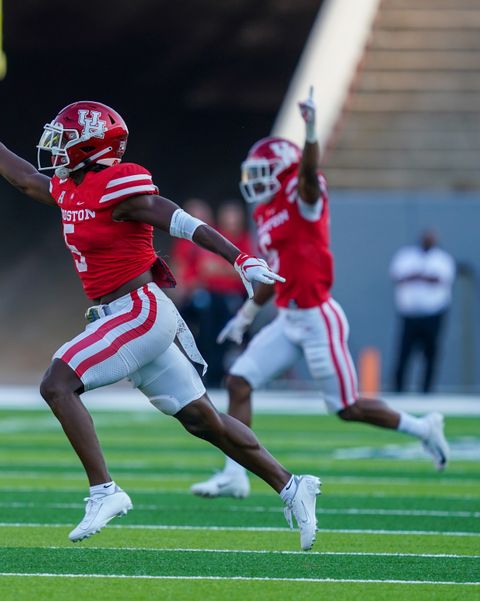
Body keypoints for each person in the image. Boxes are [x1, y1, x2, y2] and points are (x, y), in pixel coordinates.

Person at [0, 90, 321, 550]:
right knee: (205, 420)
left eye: (66, 139)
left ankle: (105, 491)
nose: (56, 146)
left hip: (140, 309)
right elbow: (25, 179)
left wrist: (239, 259)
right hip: (124, 315)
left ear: (93, 145)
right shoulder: (71, 186)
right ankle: (291, 485)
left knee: (57, 383)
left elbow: (178, 220)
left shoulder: (117, 184)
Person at [191, 88, 450, 500]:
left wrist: (311, 130)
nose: (254, 180)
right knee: (239, 381)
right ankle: (235, 475)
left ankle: (422, 427)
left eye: (263, 171)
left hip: (317, 317)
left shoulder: (302, 195)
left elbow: (309, 175)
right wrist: (245, 315)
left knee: (346, 407)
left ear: (284, 171)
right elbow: (273, 275)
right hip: (288, 318)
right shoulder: (265, 211)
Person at [171, 200, 253, 386]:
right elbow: (188, 270)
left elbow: (239, 270)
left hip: (228, 296)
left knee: (218, 321)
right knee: (197, 319)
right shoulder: (187, 242)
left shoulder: (223, 238)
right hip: (202, 295)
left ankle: (215, 370)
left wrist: (218, 271)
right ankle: (198, 369)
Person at [390, 230, 455, 393]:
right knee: (404, 352)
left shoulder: (443, 259)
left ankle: (427, 390)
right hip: (410, 314)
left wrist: (418, 277)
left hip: (433, 314)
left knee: (431, 353)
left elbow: (442, 280)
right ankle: (398, 389)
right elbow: (397, 276)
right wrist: (422, 277)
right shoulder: (406, 256)